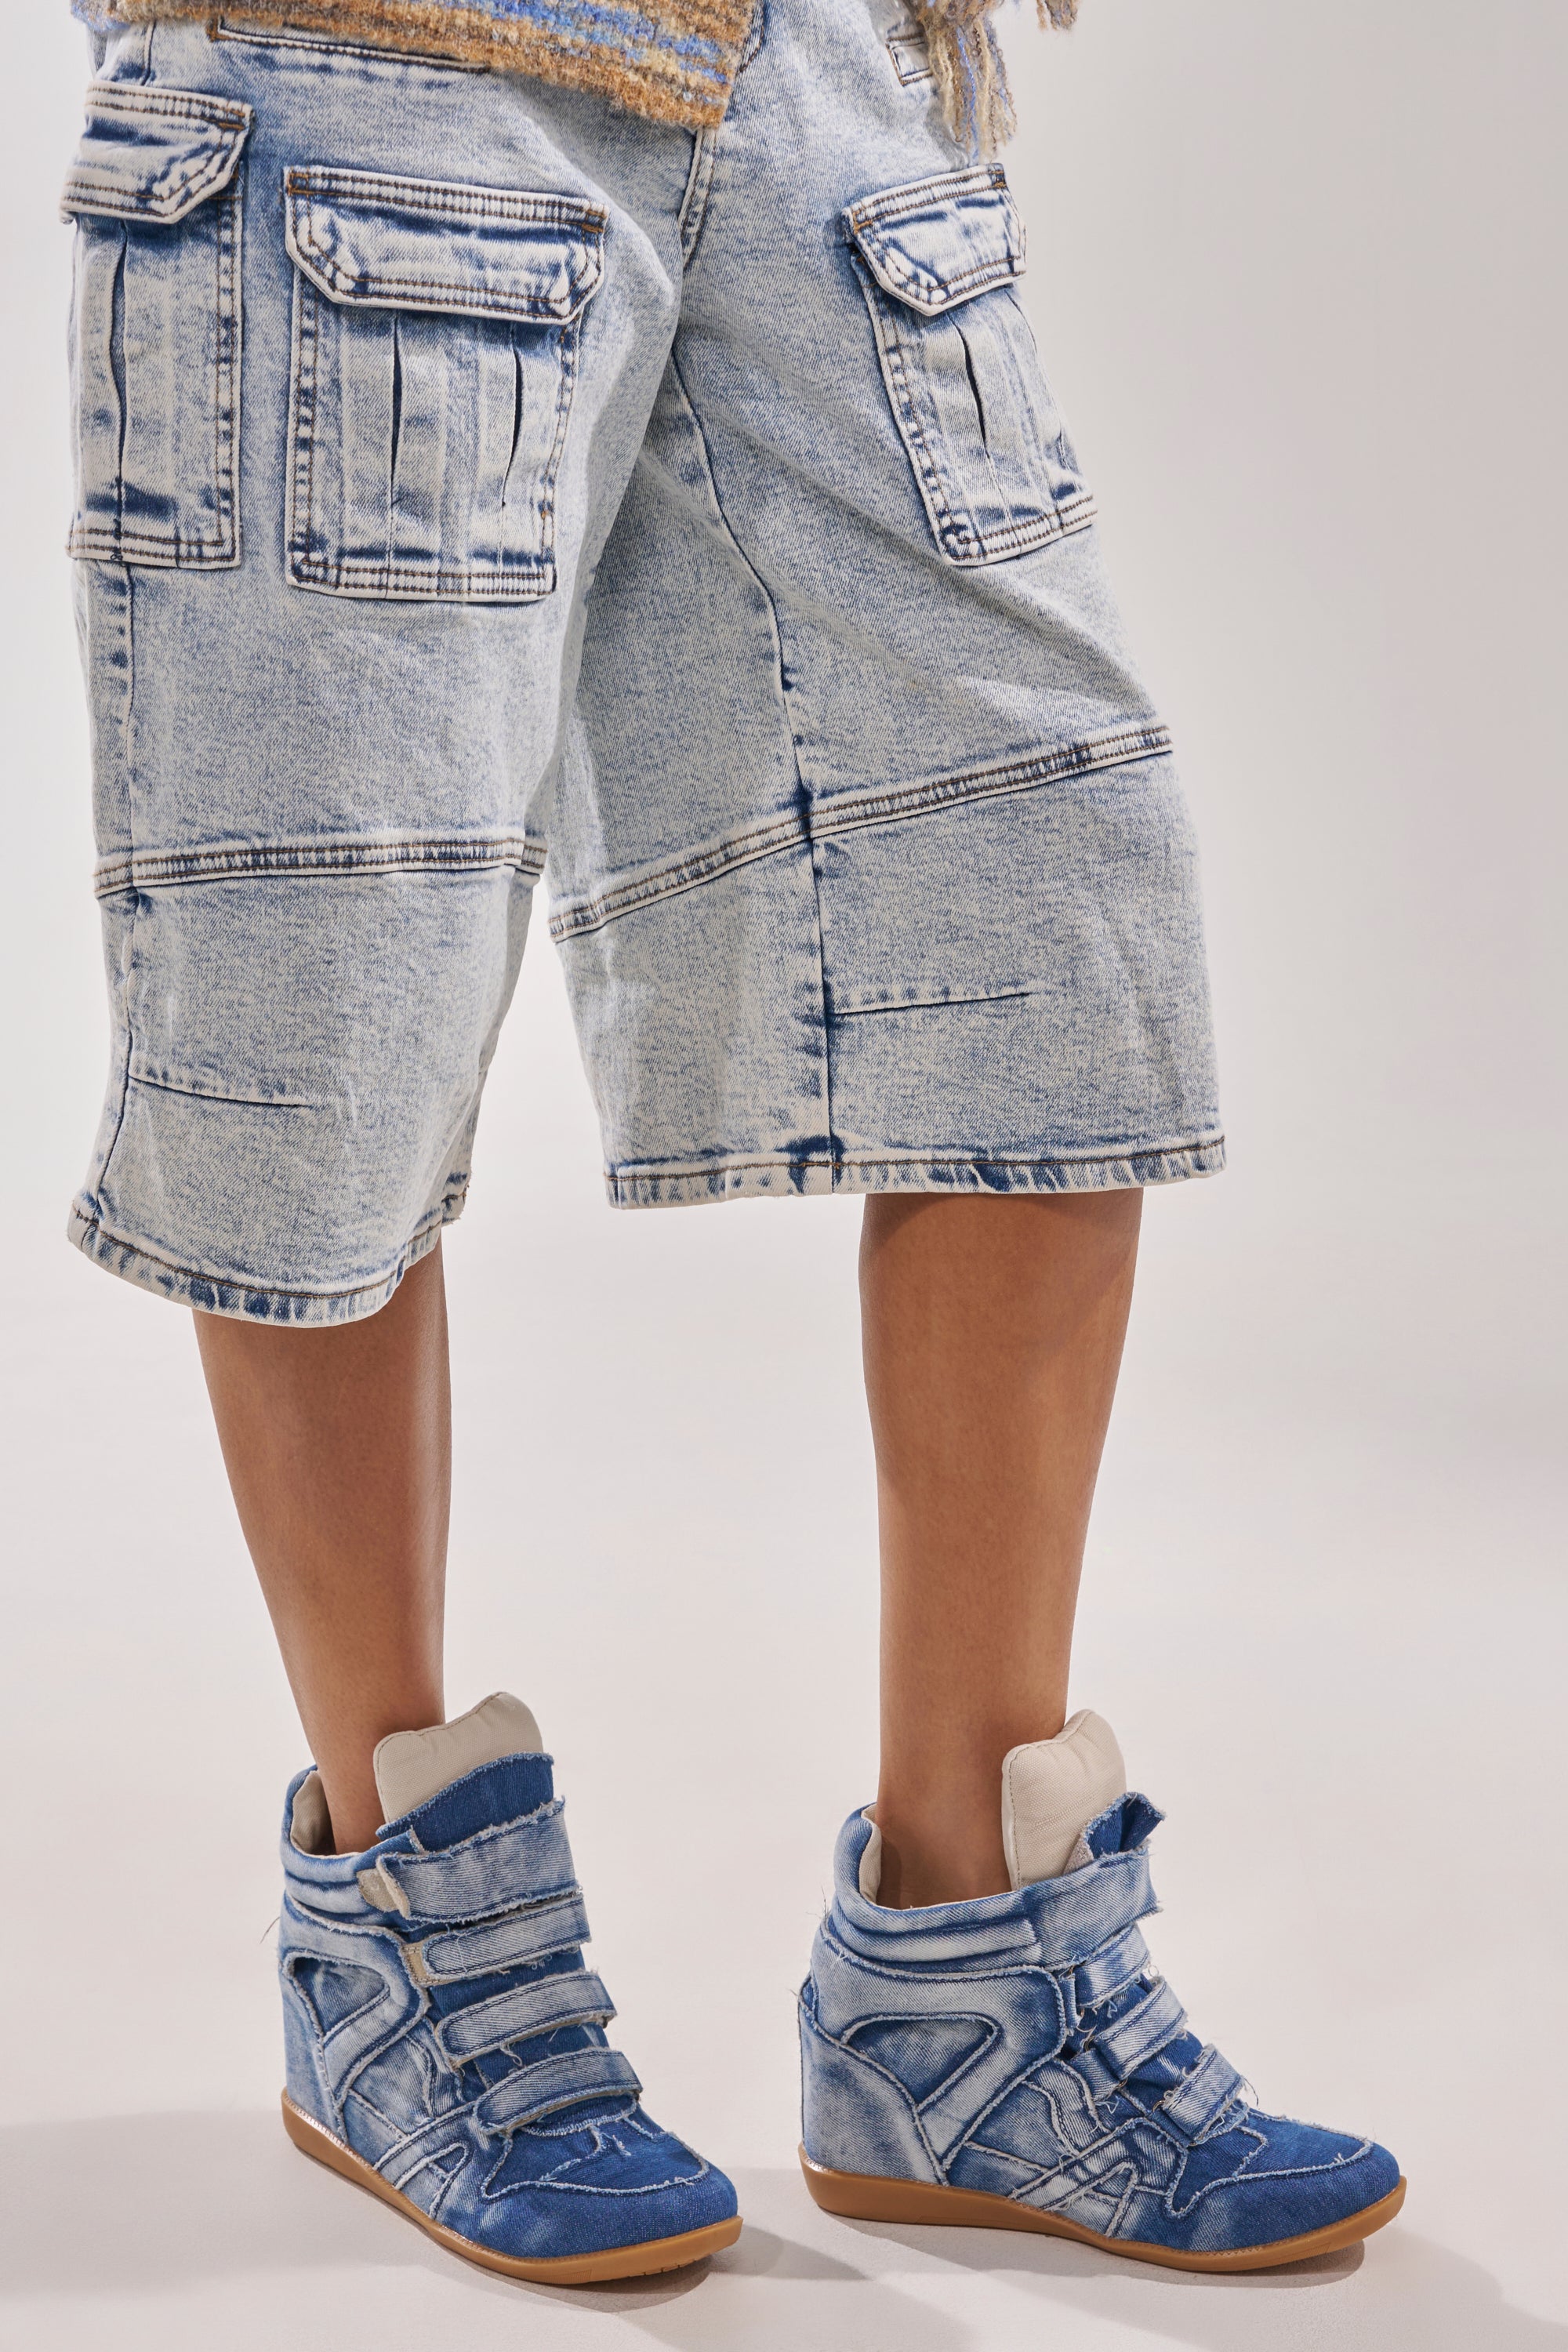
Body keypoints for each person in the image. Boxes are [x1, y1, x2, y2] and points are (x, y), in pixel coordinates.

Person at [60, 0, 1403, 2288]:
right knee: (332, 987)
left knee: (1052, 931)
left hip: (822, 81)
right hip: (373, 60)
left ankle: (963, 1997)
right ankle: (401, 1947)